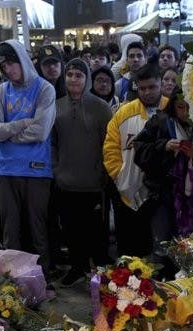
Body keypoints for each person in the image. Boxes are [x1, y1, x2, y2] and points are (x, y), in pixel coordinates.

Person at [0, 40, 57, 275]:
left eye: (11, 63)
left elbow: (41, 131)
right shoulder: (1, 91)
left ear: (22, 60)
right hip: (5, 170)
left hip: (37, 170)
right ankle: (12, 283)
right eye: (4, 66)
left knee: (38, 231)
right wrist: (22, 123)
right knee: (10, 232)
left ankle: (41, 278)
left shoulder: (45, 88)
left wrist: (10, 133)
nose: (8, 70)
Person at [134, 89, 193, 274]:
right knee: (163, 243)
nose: (185, 113)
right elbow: (139, 150)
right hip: (163, 193)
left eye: (189, 108)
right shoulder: (160, 122)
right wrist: (164, 146)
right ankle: (162, 286)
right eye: (180, 107)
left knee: (188, 245)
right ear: (173, 107)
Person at [51, 58, 113, 284]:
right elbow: (53, 143)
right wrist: (56, 169)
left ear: (86, 79)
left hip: (94, 182)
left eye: (78, 75)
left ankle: (101, 274)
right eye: (69, 75)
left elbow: (110, 143)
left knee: (96, 232)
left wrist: (104, 173)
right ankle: (77, 267)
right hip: (66, 181)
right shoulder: (56, 106)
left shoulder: (100, 107)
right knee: (70, 228)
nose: (73, 79)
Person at [103, 62, 167, 258]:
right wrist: (120, 176)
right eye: (142, 88)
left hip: (162, 194)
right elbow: (110, 149)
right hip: (128, 191)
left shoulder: (172, 109)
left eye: (152, 87)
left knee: (161, 249)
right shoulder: (124, 113)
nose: (147, 92)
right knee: (130, 251)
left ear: (161, 85)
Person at [116, 38, 147, 103]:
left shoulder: (155, 82)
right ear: (127, 61)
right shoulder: (119, 85)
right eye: (131, 56)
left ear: (146, 60)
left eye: (139, 56)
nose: (135, 59)